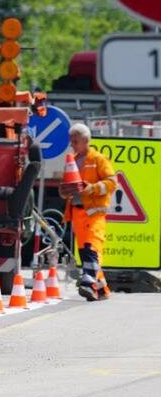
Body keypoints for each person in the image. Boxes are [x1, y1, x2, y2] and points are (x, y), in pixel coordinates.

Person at [60, 123, 116, 301]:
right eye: (72, 142)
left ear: (85, 141)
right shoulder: (73, 161)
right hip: (76, 212)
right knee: (84, 251)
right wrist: (64, 191)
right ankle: (101, 289)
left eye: (75, 141)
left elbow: (112, 182)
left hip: (94, 213)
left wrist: (91, 188)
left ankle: (87, 283)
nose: (73, 145)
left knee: (92, 247)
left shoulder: (98, 159)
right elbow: (68, 186)